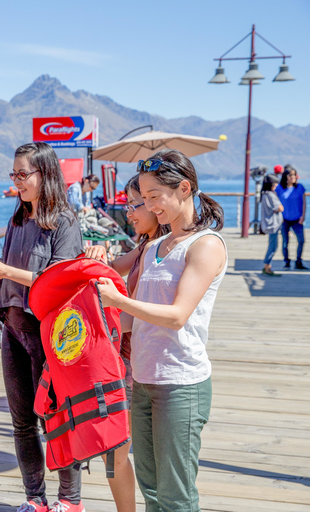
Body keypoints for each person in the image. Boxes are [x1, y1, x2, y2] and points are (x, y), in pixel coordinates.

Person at [95, 149, 227, 512]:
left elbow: (176, 315)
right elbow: (127, 320)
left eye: (155, 197)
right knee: (152, 489)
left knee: (176, 496)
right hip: (143, 380)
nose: (149, 206)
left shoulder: (206, 245)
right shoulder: (153, 246)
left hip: (181, 386)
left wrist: (117, 302)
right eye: (144, 198)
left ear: (184, 188)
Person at [0, 142, 85, 512]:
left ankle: (71, 501)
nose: (16, 182)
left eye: (23, 174)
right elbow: (14, 279)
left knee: (56, 419)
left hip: (47, 335)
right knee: (22, 422)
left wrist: (4, 271)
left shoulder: (64, 222)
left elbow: (59, 281)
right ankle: (36, 499)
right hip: (13, 328)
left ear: (45, 175)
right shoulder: (18, 219)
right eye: (13, 174)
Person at [84, 174, 169, 512]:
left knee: (126, 452)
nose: (130, 212)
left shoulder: (163, 250)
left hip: (140, 364)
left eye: (135, 204)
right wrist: (100, 250)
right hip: (123, 360)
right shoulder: (144, 248)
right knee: (116, 451)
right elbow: (104, 270)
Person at [275, 165, 306, 270]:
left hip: (297, 219)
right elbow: (275, 202)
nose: (293, 177)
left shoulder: (300, 187)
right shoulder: (279, 188)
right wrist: (279, 216)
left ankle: (298, 261)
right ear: (285, 176)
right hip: (284, 220)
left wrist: (303, 216)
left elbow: (304, 203)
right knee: (285, 242)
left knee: (301, 240)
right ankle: (286, 261)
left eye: (294, 175)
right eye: (290, 175)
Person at [261, 174, 284, 276]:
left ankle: (267, 266)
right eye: (275, 184)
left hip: (269, 224)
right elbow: (280, 208)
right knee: (273, 246)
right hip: (273, 225)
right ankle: (267, 267)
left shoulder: (264, 194)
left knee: (272, 245)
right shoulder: (270, 195)